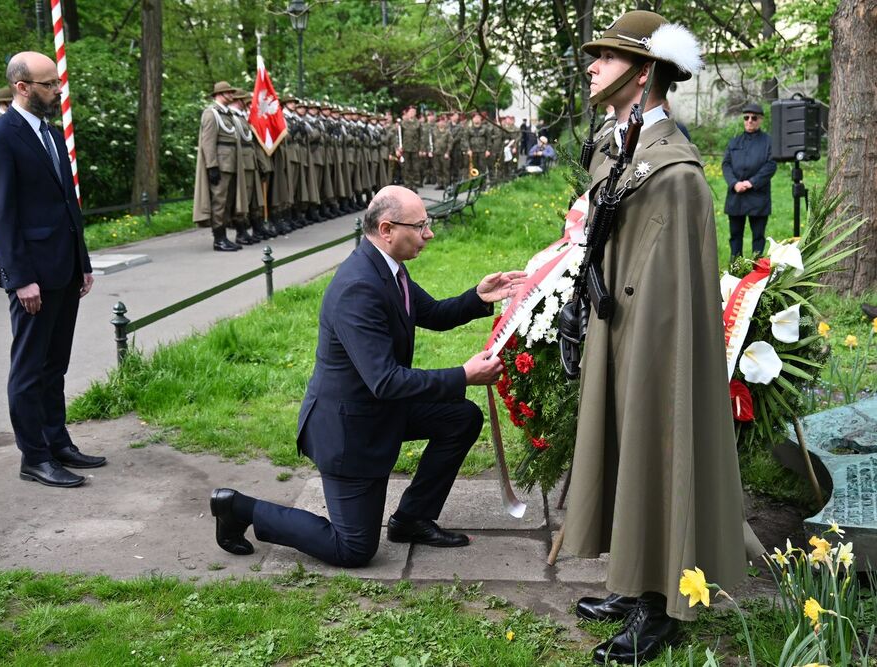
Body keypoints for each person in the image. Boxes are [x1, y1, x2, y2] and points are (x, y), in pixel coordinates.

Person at [562, 11, 748, 664]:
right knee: (621, 445)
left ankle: (658, 604)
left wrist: (645, 353)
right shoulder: (621, 150)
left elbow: (672, 291)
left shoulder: (676, 173)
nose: (591, 66)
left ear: (642, 74)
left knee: (654, 445)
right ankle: (633, 578)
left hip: (653, 344)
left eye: (606, 59)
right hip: (618, 331)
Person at [211, 185, 525, 568]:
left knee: (461, 417)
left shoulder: (388, 268)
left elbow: (433, 314)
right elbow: (387, 381)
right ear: (387, 228)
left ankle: (411, 519)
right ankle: (240, 508)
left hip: (380, 410)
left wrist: (478, 296)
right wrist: (464, 375)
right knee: (354, 549)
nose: (430, 234)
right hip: (349, 433)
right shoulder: (359, 287)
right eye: (421, 226)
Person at [0, 51, 105, 488]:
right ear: (22, 87)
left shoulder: (50, 133)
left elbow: (68, 203)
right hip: (32, 275)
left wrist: (82, 263)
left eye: (57, 83)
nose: (57, 91)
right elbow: (1, 215)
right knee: (30, 369)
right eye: (49, 84)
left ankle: (58, 441)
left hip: (65, 269)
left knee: (56, 364)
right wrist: (20, 277)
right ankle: (34, 457)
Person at [722, 102, 776, 262]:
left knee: (758, 237)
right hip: (736, 195)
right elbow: (726, 164)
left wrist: (751, 183)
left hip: (757, 195)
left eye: (754, 118)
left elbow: (771, 165)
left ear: (760, 120)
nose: (750, 121)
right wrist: (734, 183)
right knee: (735, 236)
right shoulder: (734, 142)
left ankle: (757, 272)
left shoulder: (768, 142)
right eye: (746, 117)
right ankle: (735, 269)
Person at [193, 81, 242, 251]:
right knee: (219, 202)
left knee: (227, 201)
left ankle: (224, 237)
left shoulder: (226, 114)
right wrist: (212, 166)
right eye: (228, 92)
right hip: (221, 164)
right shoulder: (211, 113)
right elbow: (208, 142)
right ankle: (219, 239)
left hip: (230, 163)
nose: (231, 95)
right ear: (219, 94)